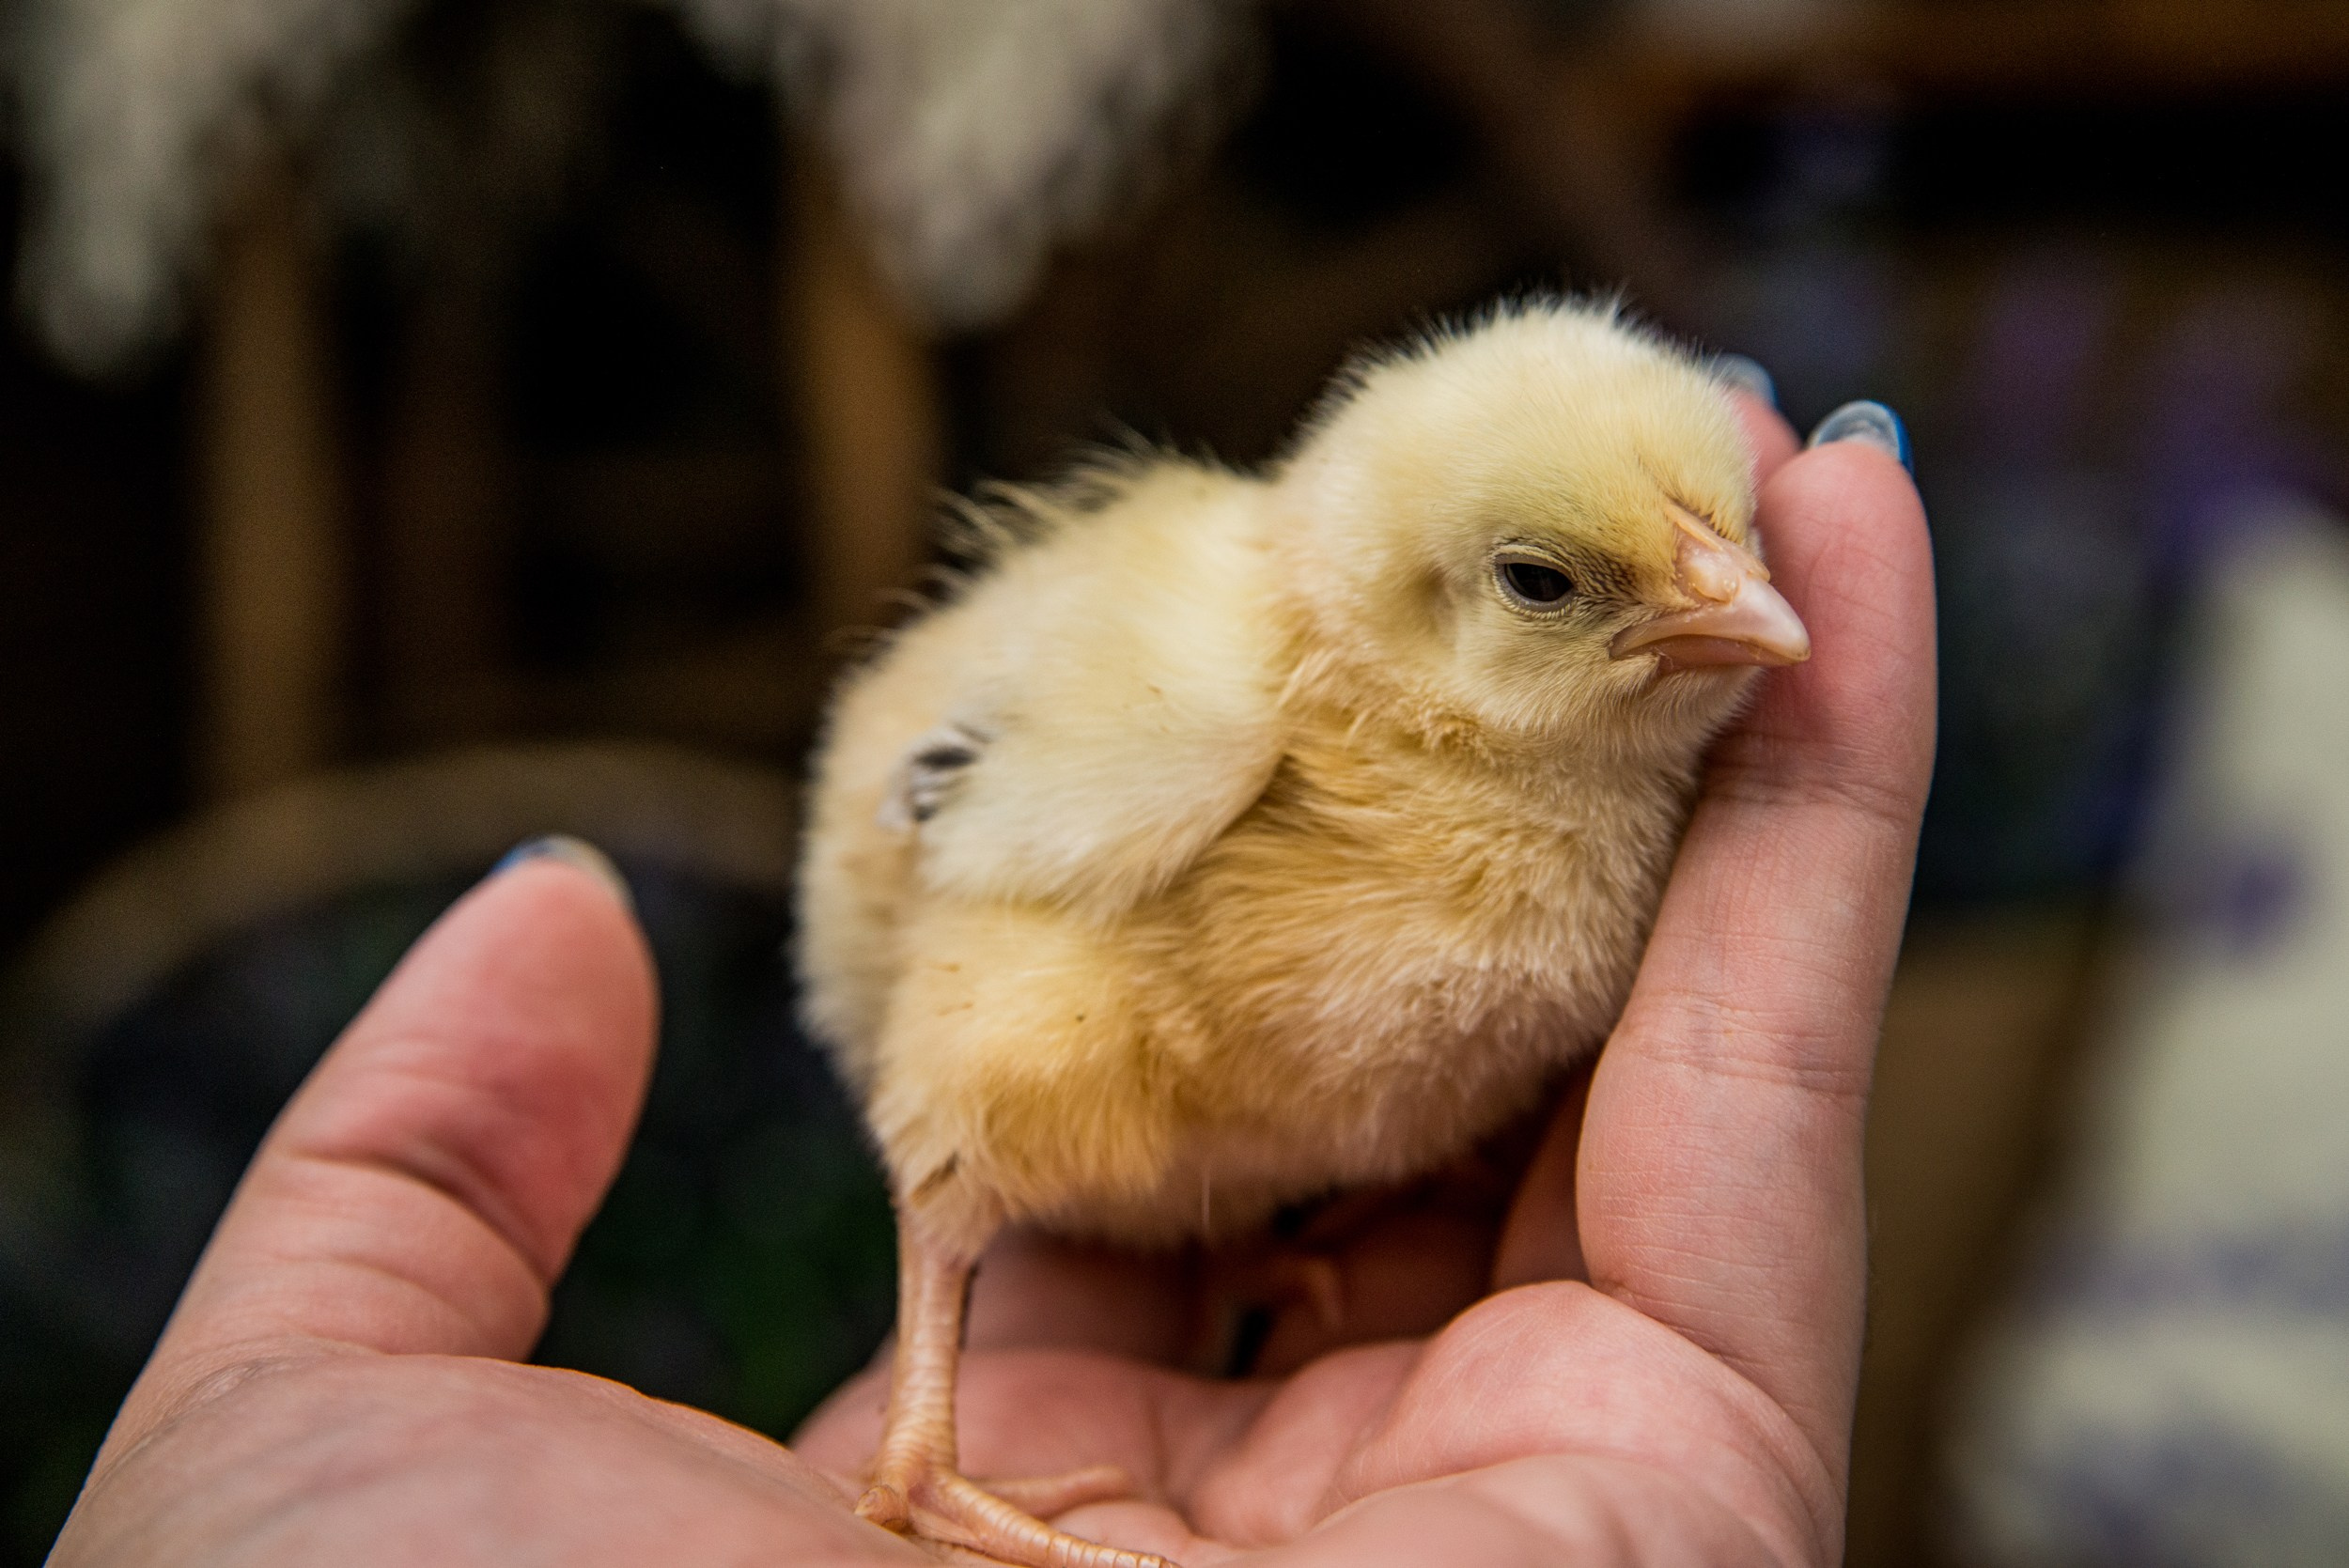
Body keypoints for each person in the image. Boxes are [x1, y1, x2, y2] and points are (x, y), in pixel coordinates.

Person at [45, 396, 1931, 1567]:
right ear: (1413, 601)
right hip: (995, 924)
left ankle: (1213, 1233)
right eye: (1556, 581)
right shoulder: (1221, 704)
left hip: (1231, 1117)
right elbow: (924, 841)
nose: (1730, 600)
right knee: (1025, 1053)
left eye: (1720, 547)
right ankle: (927, 1445)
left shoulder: (1572, 806)